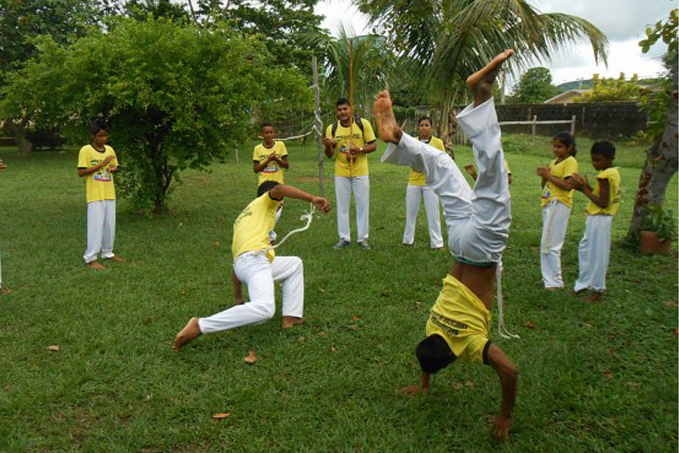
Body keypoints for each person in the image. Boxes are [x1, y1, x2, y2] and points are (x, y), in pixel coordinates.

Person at [373, 50, 518, 440]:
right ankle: (400, 137)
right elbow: (427, 353)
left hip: (480, 249)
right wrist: (423, 382)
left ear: (451, 355)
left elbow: (509, 370)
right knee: (445, 169)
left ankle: (482, 94)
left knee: (492, 179)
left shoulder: (468, 345)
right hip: (457, 241)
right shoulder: (431, 325)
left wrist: (504, 415)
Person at [173, 181, 331, 350]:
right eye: (281, 203)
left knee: (294, 264)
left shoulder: (245, 217)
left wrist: (238, 298)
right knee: (265, 309)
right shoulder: (267, 201)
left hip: (245, 264)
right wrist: (311, 198)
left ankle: (291, 316)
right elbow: (279, 189)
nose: (280, 208)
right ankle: (201, 325)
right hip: (254, 261)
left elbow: (237, 262)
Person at [322, 99, 377, 250]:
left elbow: (373, 145)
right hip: (341, 172)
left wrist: (358, 150)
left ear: (351, 109)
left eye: (345, 109)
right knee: (342, 206)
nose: (343, 112)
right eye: (339, 110)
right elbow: (329, 155)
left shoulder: (362, 124)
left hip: (360, 171)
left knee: (362, 205)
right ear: (336, 112)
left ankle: (362, 238)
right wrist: (329, 146)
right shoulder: (332, 128)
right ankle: (344, 237)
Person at [569, 141, 620, 303]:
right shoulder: (612, 172)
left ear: (610, 158)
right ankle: (583, 284)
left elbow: (603, 203)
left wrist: (583, 189)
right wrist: (585, 186)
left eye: (598, 160)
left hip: (601, 219)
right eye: (593, 160)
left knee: (598, 255)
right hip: (595, 218)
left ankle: (597, 291)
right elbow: (599, 196)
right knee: (585, 250)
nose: (594, 163)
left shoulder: (605, 176)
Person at [77, 119, 124, 270]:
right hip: (95, 194)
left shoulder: (110, 150)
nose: (103, 139)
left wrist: (112, 169)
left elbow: (115, 167)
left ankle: (108, 252)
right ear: (93, 136)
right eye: (100, 136)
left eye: (105, 136)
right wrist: (100, 165)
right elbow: (81, 172)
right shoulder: (86, 150)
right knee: (95, 226)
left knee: (109, 225)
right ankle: (91, 258)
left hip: (109, 192)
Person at [536, 132, 578, 290]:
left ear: (569, 147)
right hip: (548, 202)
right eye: (554, 146)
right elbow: (545, 185)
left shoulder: (570, 162)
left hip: (559, 203)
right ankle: (549, 279)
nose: (555, 149)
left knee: (552, 243)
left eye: (559, 146)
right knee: (546, 242)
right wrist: (544, 175)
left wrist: (548, 175)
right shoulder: (555, 162)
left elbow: (568, 186)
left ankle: (555, 281)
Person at [402, 117, 445, 250]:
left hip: (430, 183)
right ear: (418, 128)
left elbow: (442, 161)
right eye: (421, 125)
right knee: (411, 213)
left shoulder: (438, 143)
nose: (424, 128)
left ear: (431, 127)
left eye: (427, 125)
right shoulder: (413, 142)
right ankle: (407, 241)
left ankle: (437, 244)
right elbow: (408, 159)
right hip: (414, 182)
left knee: (433, 214)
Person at [253, 123, 288, 187]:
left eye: (271, 132)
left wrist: (276, 159)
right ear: (262, 134)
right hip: (263, 184)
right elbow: (256, 170)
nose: (269, 135)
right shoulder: (257, 148)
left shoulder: (280, 145)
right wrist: (268, 160)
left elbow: (286, 165)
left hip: (278, 184)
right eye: (266, 133)